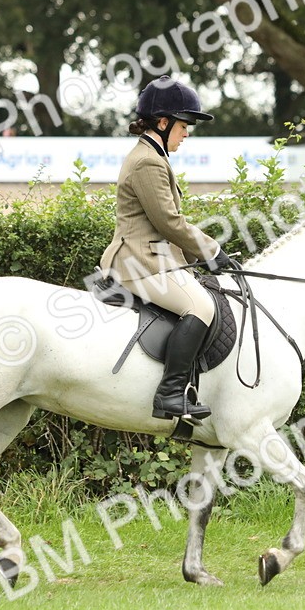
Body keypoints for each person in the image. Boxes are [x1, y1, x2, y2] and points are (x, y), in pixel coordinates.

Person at [99, 75, 234, 422]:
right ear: (163, 123)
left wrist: (196, 258)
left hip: (152, 257)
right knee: (200, 307)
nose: (186, 133)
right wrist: (211, 251)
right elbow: (168, 222)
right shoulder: (147, 161)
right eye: (183, 125)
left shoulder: (153, 156)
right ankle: (170, 394)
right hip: (137, 261)